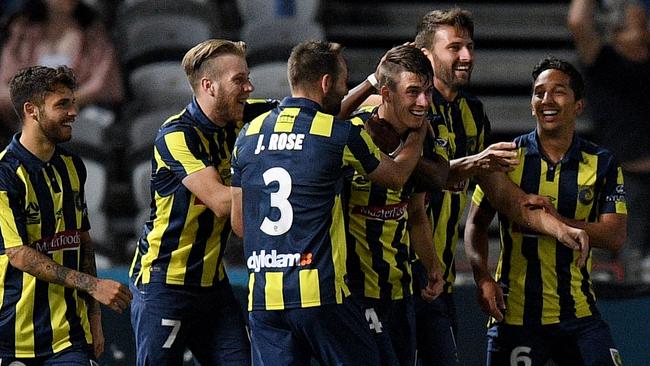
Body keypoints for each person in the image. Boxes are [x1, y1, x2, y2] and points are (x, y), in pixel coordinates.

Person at [230, 40, 428, 366]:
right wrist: (417, 135)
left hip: (264, 299)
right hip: (320, 295)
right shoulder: (339, 134)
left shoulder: (248, 135)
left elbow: (240, 224)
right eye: (342, 82)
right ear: (325, 83)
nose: (344, 89)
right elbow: (395, 177)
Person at [465, 56, 627, 366]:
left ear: (579, 105)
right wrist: (482, 276)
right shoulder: (506, 158)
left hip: (579, 316)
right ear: (531, 104)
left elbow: (615, 236)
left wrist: (555, 221)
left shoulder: (602, 163)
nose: (547, 100)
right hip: (515, 316)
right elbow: (475, 226)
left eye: (559, 91)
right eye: (539, 92)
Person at [128, 39, 275, 366]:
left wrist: (373, 88)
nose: (249, 87)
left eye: (247, 77)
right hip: (165, 285)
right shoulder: (176, 135)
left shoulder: (244, 118)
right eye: (239, 80)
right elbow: (222, 203)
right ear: (208, 86)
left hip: (213, 286)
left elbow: (307, 109)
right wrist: (277, 179)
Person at [0, 65, 131, 364]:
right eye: (63, 104)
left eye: (73, 102)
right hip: (12, 337)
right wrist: (94, 286)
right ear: (31, 110)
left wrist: (94, 317)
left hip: (69, 336)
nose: (74, 112)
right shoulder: (5, 174)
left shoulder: (73, 167)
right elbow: (19, 254)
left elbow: (82, 241)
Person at [344, 44, 446, 366]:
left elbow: (416, 214)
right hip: (354, 291)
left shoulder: (430, 132)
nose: (423, 102)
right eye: (413, 92)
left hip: (401, 289)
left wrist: (432, 266)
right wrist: (371, 79)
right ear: (386, 93)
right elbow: (327, 116)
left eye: (428, 92)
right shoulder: (351, 131)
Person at [568, 0, 650, 282]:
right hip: (626, 179)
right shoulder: (603, 62)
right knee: (629, 266)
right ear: (615, 34)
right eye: (626, 25)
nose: (637, 24)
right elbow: (578, 22)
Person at [0, 0, 123, 149]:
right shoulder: (22, 29)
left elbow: (101, 82)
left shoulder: (92, 29)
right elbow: (7, 78)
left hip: (81, 109)